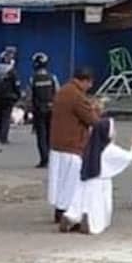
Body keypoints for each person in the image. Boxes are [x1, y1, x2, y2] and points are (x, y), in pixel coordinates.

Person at [60, 114, 132, 234]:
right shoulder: (110, 149)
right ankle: (91, 223)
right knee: (99, 207)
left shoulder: (91, 146)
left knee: (79, 202)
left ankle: (72, 217)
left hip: (86, 180)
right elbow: (131, 157)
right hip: (101, 182)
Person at [48, 67, 99, 223]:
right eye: (89, 84)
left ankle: (59, 210)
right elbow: (92, 120)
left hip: (57, 144)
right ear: (84, 81)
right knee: (71, 182)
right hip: (72, 145)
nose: (89, 87)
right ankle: (66, 213)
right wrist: (97, 110)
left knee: (60, 181)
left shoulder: (62, 91)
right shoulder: (77, 96)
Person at [28, 52, 60, 168]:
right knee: (50, 135)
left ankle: (44, 159)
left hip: (38, 110)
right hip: (51, 109)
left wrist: (29, 111)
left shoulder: (33, 79)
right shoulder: (52, 77)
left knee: (41, 135)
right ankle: (52, 159)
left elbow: (30, 96)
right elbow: (57, 93)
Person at [0, 49, 21, 144]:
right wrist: (18, 95)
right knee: (6, 117)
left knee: (0, 116)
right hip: (9, 97)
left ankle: (0, 135)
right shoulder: (11, 70)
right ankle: (4, 137)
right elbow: (16, 84)